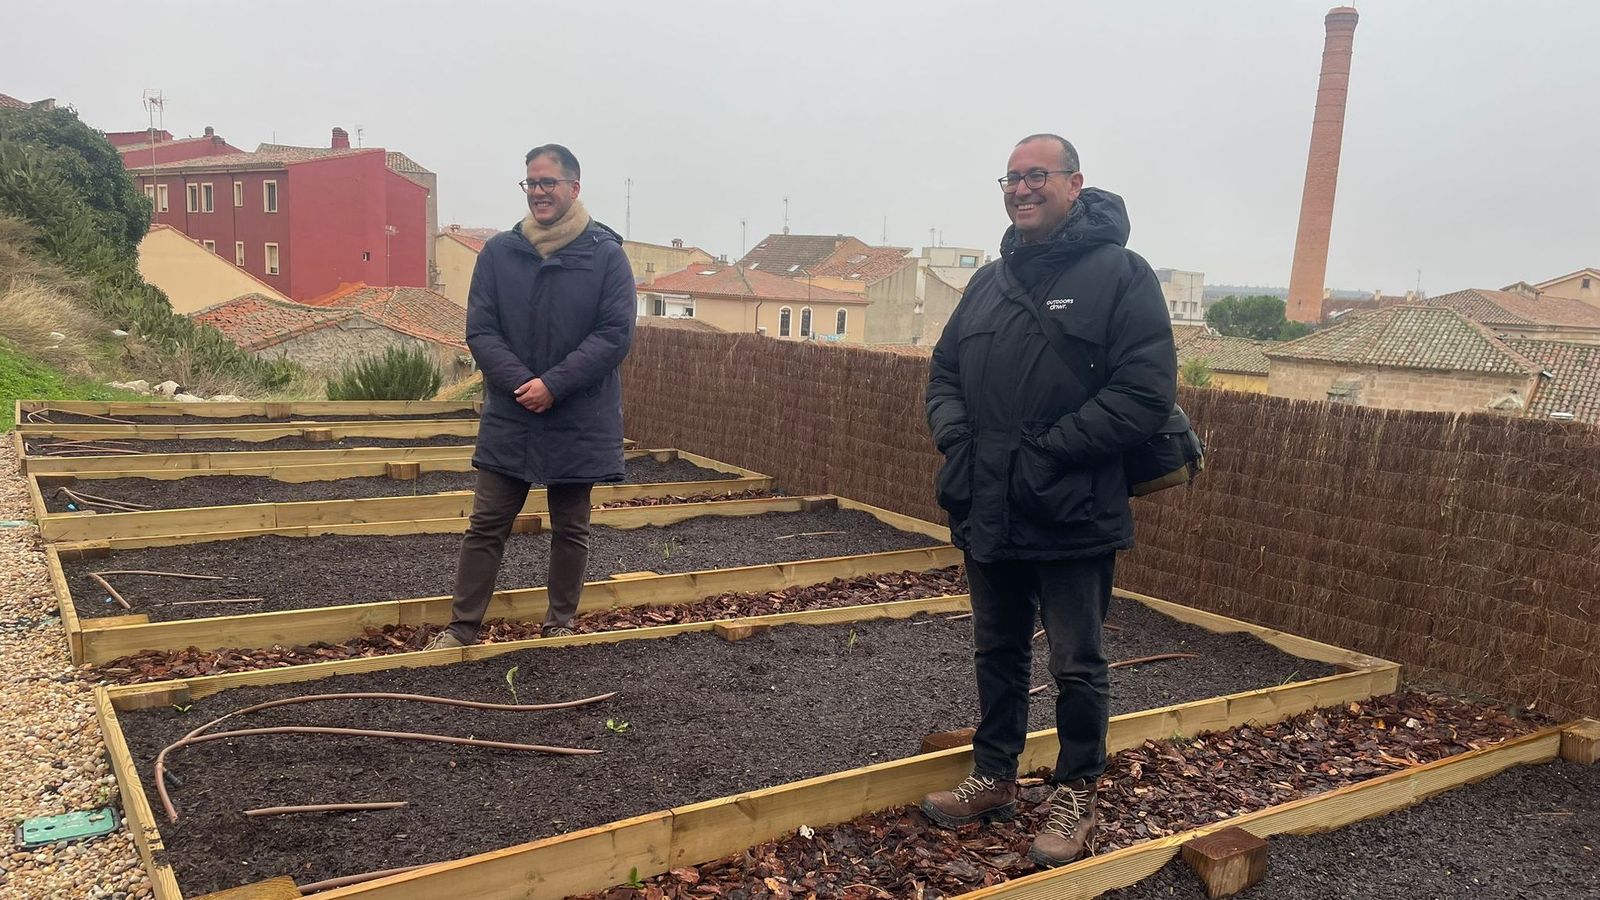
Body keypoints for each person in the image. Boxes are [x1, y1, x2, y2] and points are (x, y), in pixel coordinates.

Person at [919, 134, 1177, 866]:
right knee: (995, 649)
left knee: (1077, 661)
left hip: (1072, 508)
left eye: (1038, 176)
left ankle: (1077, 793)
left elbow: (1145, 394)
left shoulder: (1122, 275)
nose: (1022, 188)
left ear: (1074, 184)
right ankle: (995, 774)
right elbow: (943, 374)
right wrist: (960, 443)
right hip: (987, 503)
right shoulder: (988, 283)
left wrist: (1048, 452)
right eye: (1013, 177)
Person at [424, 144, 635, 650]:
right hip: (512, 413)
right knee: (487, 524)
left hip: (578, 414)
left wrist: (554, 385)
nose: (539, 192)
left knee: (571, 526)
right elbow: (481, 329)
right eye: (531, 184)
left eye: (549, 183)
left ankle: (558, 624)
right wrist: (525, 384)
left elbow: (613, 335)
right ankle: (461, 628)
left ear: (573, 188)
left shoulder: (605, 255)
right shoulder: (500, 252)